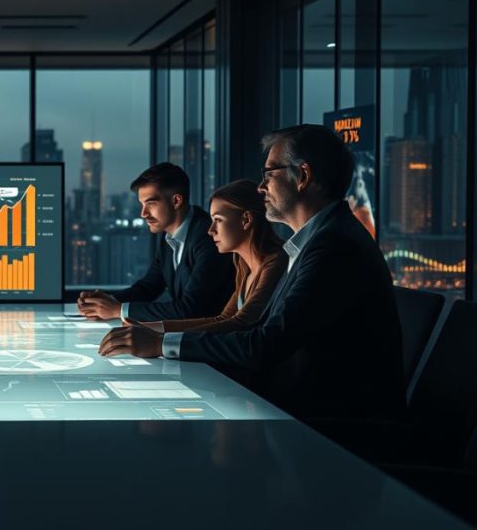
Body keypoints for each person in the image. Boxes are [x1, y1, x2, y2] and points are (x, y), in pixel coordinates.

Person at [98, 124, 404, 419]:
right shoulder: (316, 241)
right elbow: (248, 329)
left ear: (303, 177)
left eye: (269, 174)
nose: (261, 187)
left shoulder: (333, 247)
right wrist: (159, 335)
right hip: (302, 407)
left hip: (328, 428)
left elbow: (263, 344)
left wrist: (161, 343)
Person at [78, 162, 234, 323]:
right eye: (142, 204)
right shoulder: (169, 236)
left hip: (210, 338)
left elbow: (191, 309)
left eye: (150, 204)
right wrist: (106, 301)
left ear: (176, 201)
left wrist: (118, 310)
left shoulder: (209, 236)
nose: (143, 214)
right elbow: (149, 287)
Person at [140, 179, 287, 334]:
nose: (211, 230)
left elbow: (241, 322)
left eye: (218, 220)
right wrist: (152, 328)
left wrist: (160, 339)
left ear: (246, 220)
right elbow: (224, 318)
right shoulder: (242, 264)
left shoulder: (275, 263)